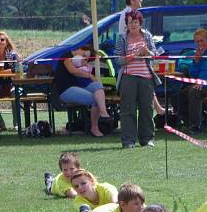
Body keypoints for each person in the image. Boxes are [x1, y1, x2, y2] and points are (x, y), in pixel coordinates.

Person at [117, 10, 159, 148]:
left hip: (146, 77)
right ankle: (128, 140)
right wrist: (133, 56)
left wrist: (147, 52)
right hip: (128, 78)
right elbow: (118, 60)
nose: (133, 25)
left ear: (140, 23)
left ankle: (147, 139)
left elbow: (154, 55)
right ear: (127, 25)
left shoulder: (147, 36)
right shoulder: (122, 38)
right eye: (130, 22)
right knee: (128, 110)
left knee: (147, 109)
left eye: (135, 22)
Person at [53, 44, 111, 137]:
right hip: (66, 90)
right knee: (95, 99)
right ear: (80, 49)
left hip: (79, 88)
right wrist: (90, 75)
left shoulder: (81, 62)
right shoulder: (67, 56)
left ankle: (104, 114)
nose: (84, 59)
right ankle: (95, 127)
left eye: (86, 59)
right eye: (84, 55)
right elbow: (73, 71)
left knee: (98, 85)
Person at [0, 31, 20, 132]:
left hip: (10, 84)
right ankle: (0, 124)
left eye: (2, 39)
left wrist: (2, 72)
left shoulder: (13, 55)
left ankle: (16, 124)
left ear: (6, 42)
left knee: (16, 93)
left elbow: (16, 70)